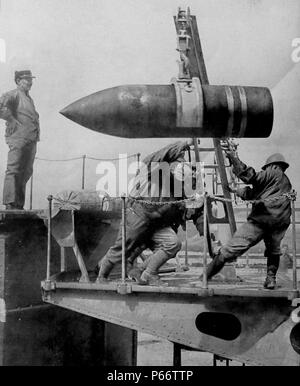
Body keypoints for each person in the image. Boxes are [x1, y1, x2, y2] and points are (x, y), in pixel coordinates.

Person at [96, 140, 204, 285]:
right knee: (120, 249)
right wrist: (185, 144)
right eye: (177, 163)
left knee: (172, 243)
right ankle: (101, 276)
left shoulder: (175, 184)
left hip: (155, 224)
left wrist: (194, 204)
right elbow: (163, 153)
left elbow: (185, 206)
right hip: (136, 217)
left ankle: (149, 274)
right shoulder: (150, 167)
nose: (180, 167)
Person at [205, 148, 292, 290]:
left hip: (262, 220)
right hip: (280, 222)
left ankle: (205, 276)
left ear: (272, 165)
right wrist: (236, 190)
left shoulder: (273, 171)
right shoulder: (284, 181)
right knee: (273, 250)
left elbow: (251, 177)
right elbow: (254, 193)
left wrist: (234, 158)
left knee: (230, 248)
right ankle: (271, 280)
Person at [0, 70, 39, 210]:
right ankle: (10, 203)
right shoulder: (13, 94)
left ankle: (18, 204)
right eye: (26, 79)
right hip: (18, 138)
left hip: (30, 139)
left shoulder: (29, 99)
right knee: (14, 169)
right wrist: (10, 119)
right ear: (18, 81)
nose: (30, 82)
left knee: (26, 171)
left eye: (31, 79)